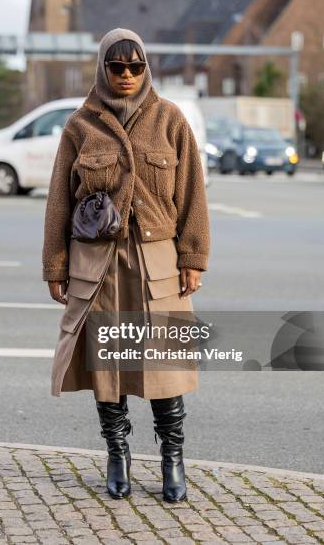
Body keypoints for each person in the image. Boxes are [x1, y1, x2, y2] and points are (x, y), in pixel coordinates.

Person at [42, 28, 210, 503]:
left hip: (158, 261)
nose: (128, 75)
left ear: (146, 68)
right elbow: (58, 201)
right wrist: (55, 266)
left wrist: (193, 257)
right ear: (103, 68)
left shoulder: (170, 119)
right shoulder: (80, 125)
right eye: (118, 67)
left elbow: (193, 195)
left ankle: (172, 460)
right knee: (108, 367)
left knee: (164, 367)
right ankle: (117, 455)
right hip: (97, 264)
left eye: (136, 66)